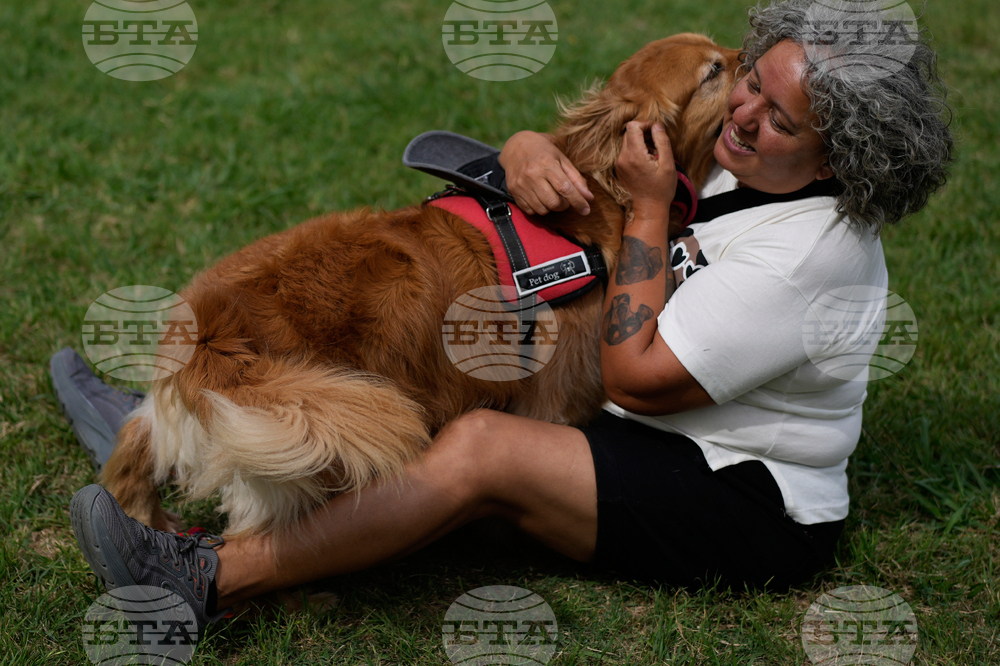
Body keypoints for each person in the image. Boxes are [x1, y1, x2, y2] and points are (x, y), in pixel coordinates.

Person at [67, 0, 952, 642]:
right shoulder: (743, 160)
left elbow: (635, 379)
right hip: (644, 433)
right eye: (747, 80)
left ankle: (204, 578)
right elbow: (605, 149)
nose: (747, 113)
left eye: (778, 117)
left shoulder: (813, 252)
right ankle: (196, 430)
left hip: (737, 496)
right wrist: (526, 150)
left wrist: (649, 211)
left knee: (480, 448)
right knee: (447, 393)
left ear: (837, 157)